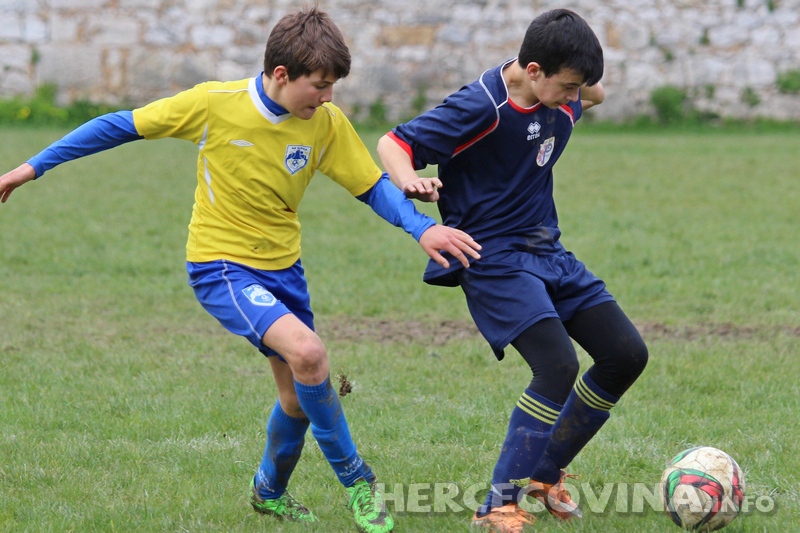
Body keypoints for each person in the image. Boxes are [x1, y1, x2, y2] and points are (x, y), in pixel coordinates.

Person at [0, 7, 482, 533]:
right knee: (311, 354)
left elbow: (370, 187)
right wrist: (31, 168)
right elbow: (118, 126)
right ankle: (359, 485)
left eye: (332, 87)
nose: (327, 97)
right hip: (221, 266)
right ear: (281, 74)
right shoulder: (214, 104)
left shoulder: (325, 123)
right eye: (318, 85)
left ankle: (268, 493)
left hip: (284, 270)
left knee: (297, 396)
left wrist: (421, 228)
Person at [377, 9, 648, 532]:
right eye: (566, 85)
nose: (574, 96)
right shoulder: (481, 106)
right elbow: (394, 142)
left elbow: (593, 94)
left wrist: (581, 90)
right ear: (532, 68)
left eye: (578, 88)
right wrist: (410, 179)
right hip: (493, 257)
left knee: (625, 354)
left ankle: (546, 474)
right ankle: (496, 506)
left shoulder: (562, 95)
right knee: (556, 365)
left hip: (548, 249)